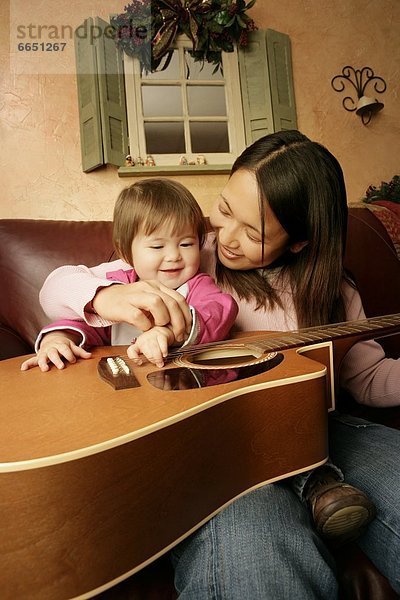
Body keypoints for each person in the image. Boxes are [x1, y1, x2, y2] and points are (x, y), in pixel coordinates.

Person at [31, 132, 400, 597]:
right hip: (212, 439)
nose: (224, 236)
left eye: (252, 232)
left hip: (323, 427)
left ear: (300, 242)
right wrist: (108, 296)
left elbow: (368, 377)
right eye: (225, 210)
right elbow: (57, 287)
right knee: (258, 553)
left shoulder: (333, 290)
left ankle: (320, 485)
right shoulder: (180, 252)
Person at [21, 179, 238, 371]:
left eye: (186, 244)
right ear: (126, 252)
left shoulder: (197, 285)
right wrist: (59, 338)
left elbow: (219, 310)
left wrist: (169, 333)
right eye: (157, 247)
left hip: (182, 385)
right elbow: (89, 325)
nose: (174, 256)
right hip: (126, 389)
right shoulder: (118, 285)